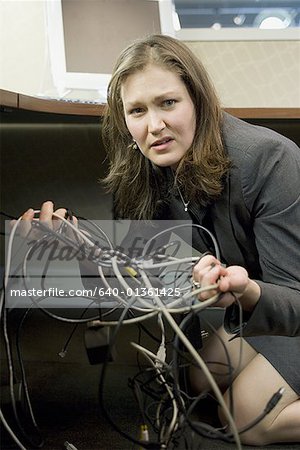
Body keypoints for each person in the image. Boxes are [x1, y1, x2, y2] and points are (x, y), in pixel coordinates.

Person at [19, 34, 299, 446]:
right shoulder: (149, 170)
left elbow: (294, 294)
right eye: (137, 110)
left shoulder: (270, 159)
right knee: (199, 380)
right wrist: (68, 249)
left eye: (168, 103)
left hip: (292, 307)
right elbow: (137, 272)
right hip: (266, 311)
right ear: (123, 120)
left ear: (198, 100)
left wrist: (249, 290)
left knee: (246, 416)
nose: (154, 126)